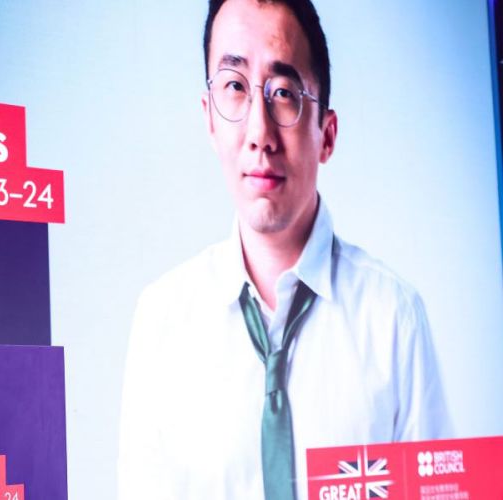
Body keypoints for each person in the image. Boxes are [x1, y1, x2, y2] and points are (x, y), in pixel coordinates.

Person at [117, 1, 449, 499]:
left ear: (327, 135)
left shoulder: (393, 317)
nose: (259, 134)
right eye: (234, 87)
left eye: (284, 94)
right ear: (209, 118)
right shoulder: (162, 321)